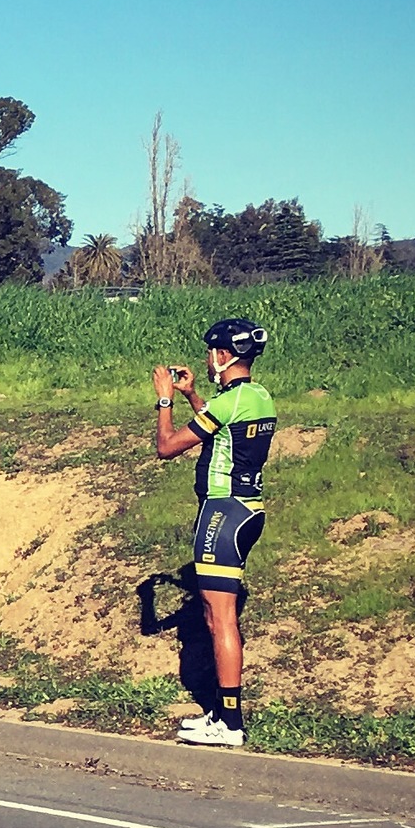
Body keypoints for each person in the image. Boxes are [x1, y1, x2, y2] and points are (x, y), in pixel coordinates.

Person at [154, 317, 277, 746]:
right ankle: (220, 715)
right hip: (248, 510)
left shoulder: (228, 403)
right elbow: (220, 425)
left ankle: (230, 724)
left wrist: (166, 402)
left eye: (211, 352)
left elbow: (167, 448)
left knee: (220, 617)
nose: (208, 359)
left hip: (222, 513)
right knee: (212, 612)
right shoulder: (256, 397)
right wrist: (192, 396)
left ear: (222, 356)